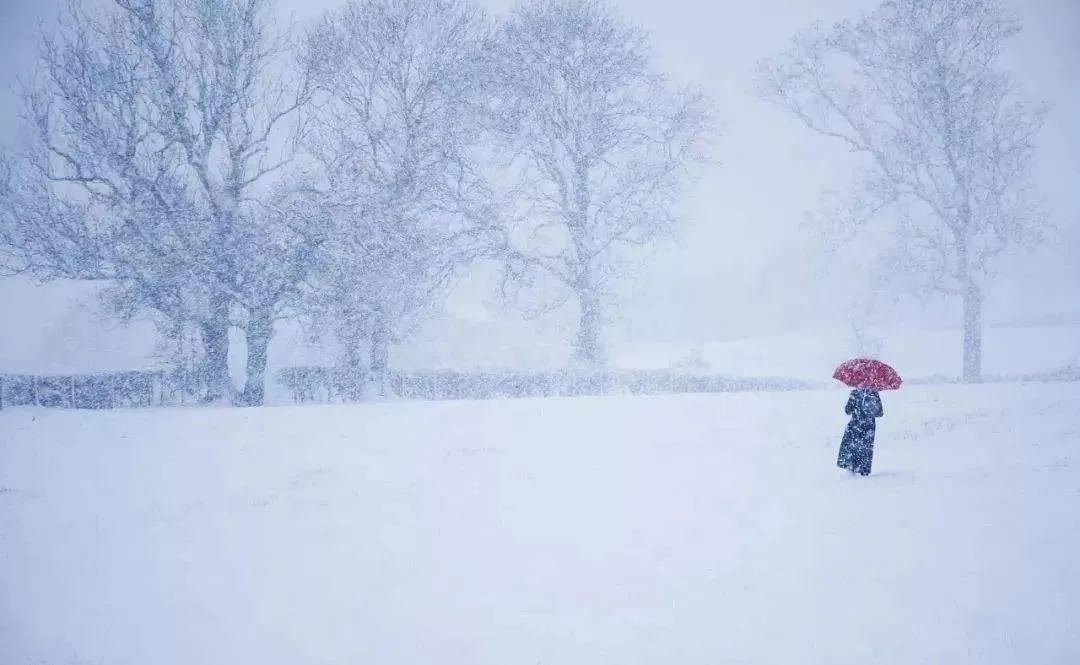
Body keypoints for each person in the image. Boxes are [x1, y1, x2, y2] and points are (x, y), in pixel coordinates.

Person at [837, 388, 883, 476]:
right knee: (865, 448)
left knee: (852, 446)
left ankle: (851, 467)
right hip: (869, 427)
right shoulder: (874, 394)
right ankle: (864, 470)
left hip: (855, 424)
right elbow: (879, 413)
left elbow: (848, 411)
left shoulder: (855, 393)